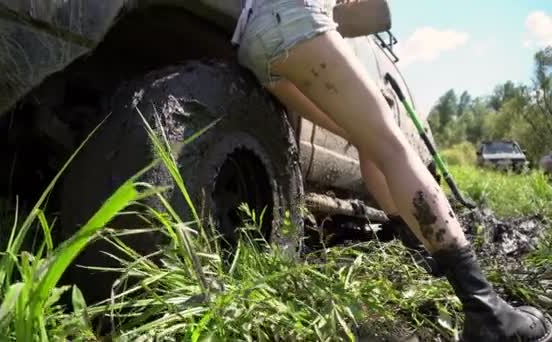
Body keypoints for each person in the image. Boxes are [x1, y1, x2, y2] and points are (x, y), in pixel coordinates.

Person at [232, 0, 552, 341]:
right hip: (294, 18)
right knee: (394, 147)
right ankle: (488, 312)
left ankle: (418, 249)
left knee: (367, 141)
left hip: (253, 40)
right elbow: (372, 12)